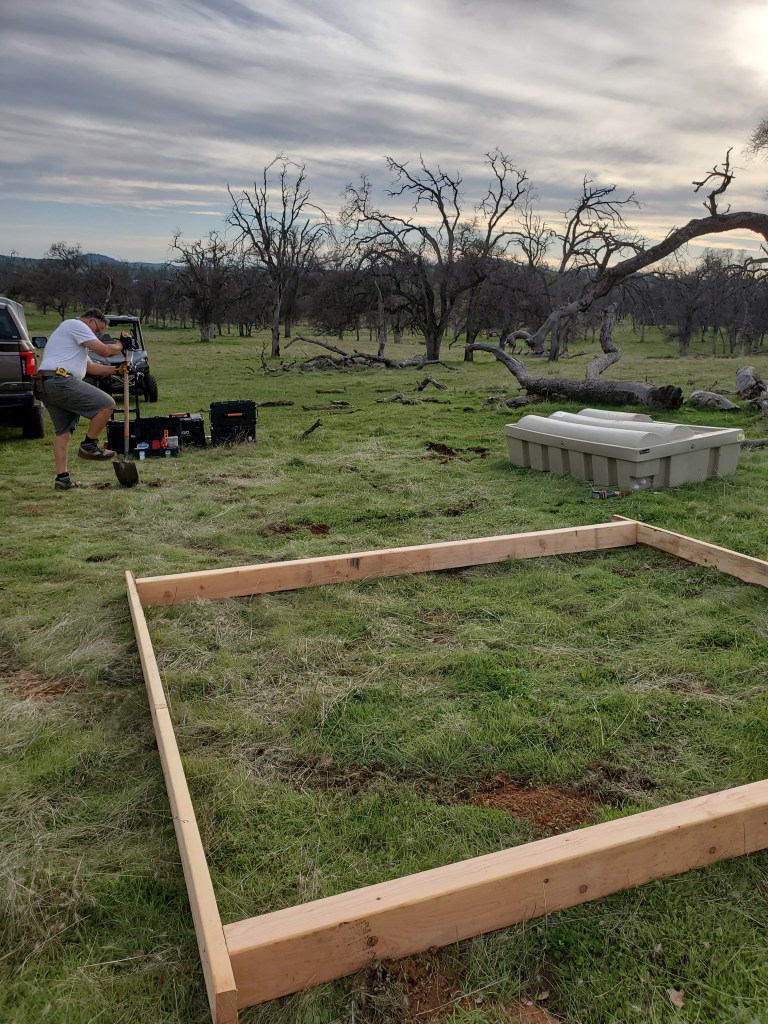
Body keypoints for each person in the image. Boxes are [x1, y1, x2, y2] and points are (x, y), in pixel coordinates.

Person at [36, 308, 128, 490]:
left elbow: (91, 367)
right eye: (98, 330)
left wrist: (117, 370)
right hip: (60, 381)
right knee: (107, 405)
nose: (97, 335)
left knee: (64, 433)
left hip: (46, 384)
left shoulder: (73, 340)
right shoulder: (75, 325)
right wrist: (121, 345)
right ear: (91, 320)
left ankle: (62, 480)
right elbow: (105, 351)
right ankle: (89, 445)